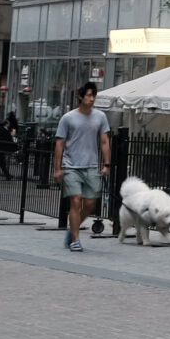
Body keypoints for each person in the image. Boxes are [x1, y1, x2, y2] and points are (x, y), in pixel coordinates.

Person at [52, 82, 110, 252]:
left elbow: (105, 141)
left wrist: (107, 164)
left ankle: (72, 228)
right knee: (76, 201)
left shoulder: (100, 117)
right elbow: (60, 144)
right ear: (81, 97)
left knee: (91, 202)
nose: (92, 99)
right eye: (89, 95)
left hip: (91, 165)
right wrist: (58, 168)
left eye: (94, 96)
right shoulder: (68, 118)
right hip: (71, 166)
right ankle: (76, 240)